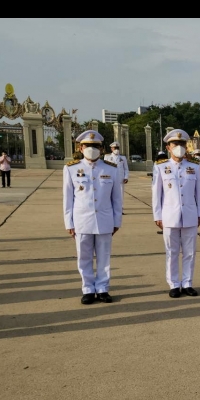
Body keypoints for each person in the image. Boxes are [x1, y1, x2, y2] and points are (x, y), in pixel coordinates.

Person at [63, 130, 123, 304]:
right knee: (84, 257)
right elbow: (68, 198)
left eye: (95, 146)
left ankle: (103, 288)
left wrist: (116, 221)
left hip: (105, 219)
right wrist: (69, 223)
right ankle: (88, 289)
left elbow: (117, 198)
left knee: (104, 257)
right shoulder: (71, 168)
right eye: (88, 146)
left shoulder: (111, 169)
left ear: (102, 149)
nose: (92, 149)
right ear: (81, 148)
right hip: (82, 220)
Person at [152, 129, 200, 298]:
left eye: (182, 144)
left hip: (190, 215)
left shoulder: (194, 167)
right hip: (169, 216)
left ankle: (187, 283)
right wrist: (157, 216)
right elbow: (157, 194)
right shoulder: (161, 167)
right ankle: (174, 284)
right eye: (175, 144)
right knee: (172, 252)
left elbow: (199, 193)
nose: (179, 147)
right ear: (168, 147)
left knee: (190, 252)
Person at [104, 142, 129, 214]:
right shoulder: (107, 157)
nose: (116, 150)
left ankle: (120, 209)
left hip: (120, 179)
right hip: (110, 179)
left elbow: (126, 169)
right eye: (115, 148)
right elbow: (105, 168)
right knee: (109, 194)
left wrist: (126, 177)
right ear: (111, 149)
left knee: (120, 195)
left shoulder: (123, 158)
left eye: (117, 148)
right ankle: (110, 208)